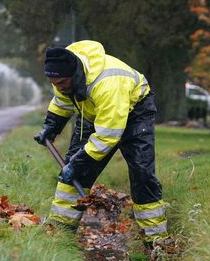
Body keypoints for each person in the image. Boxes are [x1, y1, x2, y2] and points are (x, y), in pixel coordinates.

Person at [34, 40, 168, 244]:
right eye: (54, 84)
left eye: (61, 83)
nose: (58, 88)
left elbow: (107, 136)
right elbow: (62, 101)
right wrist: (51, 126)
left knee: (142, 172)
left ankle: (155, 240)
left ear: (75, 75)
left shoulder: (108, 83)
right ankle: (60, 232)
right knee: (73, 173)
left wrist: (78, 163)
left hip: (135, 112)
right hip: (94, 112)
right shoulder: (63, 75)